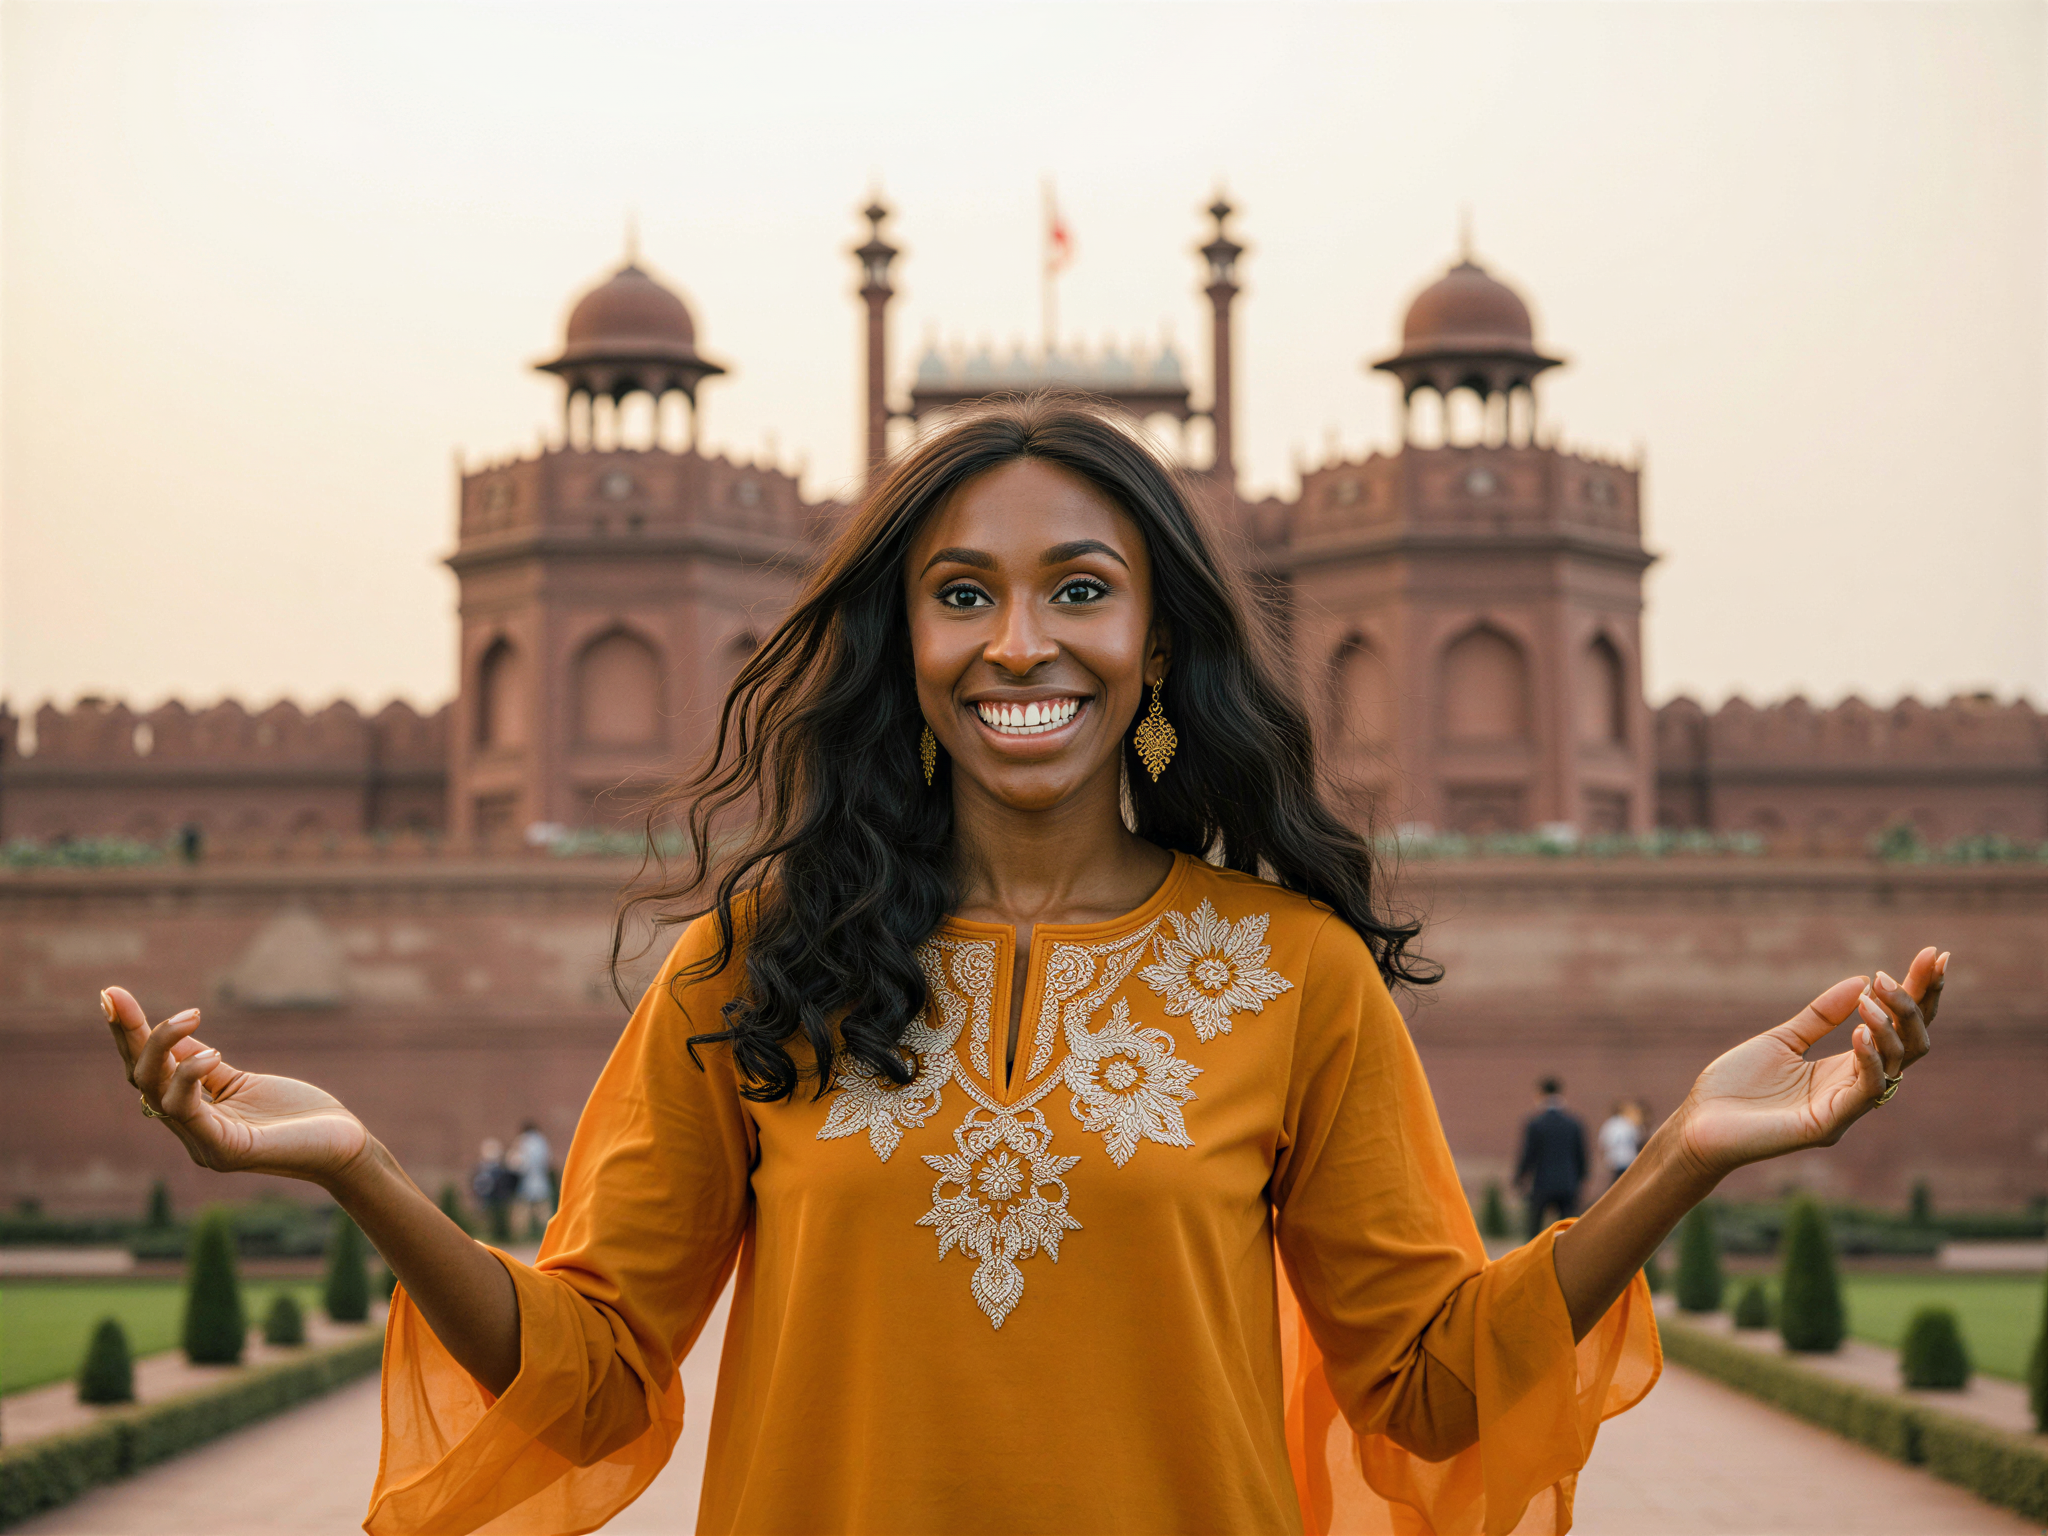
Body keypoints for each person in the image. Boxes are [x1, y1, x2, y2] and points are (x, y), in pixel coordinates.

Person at [96, 395, 1949, 1536]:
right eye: (961, 591)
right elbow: (587, 1374)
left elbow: (1436, 1389)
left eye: (1080, 585)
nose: (1019, 640)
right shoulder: (761, 963)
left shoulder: (1288, 976)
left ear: (1157, 638)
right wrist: (357, 1168)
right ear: (897, 638)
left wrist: (1682, 1159)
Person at [1515, 1078, 1588, 1238]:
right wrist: (1580, 1179)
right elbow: (1581, 1156)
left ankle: (1532, 1261)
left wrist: (1519, 1177)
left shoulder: (1536, 1124)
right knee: (1567, 1233)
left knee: (1534, 1230)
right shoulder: (1574, 1123)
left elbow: (1529, 1155)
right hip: (1568, 1183)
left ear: (1540, 1094)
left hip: (1542, 1183)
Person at [508, 1119, 555, 1237]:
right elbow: (547, 1162)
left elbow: (520, 1164)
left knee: (522, 1213)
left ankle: (520, 1237)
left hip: (526, 1182)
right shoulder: (542, 1141)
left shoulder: (523, 1141)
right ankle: (548, 1235)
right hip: (541, 1182)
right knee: (544, 1213)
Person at [470, 1136, 514, 1243]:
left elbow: (506, 1182)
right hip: (485, 1197)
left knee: (498, 1218)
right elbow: (475, 1181)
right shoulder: (481, 1167)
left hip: (498, 1198)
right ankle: (487, 1235)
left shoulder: (500, 1169)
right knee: (485, 1218)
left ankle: (501, 1236)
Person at [1599, 1098, 1647, 1186]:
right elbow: (1638, 1139)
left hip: (1615, 1161)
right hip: (1629, 1160)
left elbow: (1604, 1143)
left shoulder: (1609, 1124)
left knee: (1617, 1185)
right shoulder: (1629, 1123)